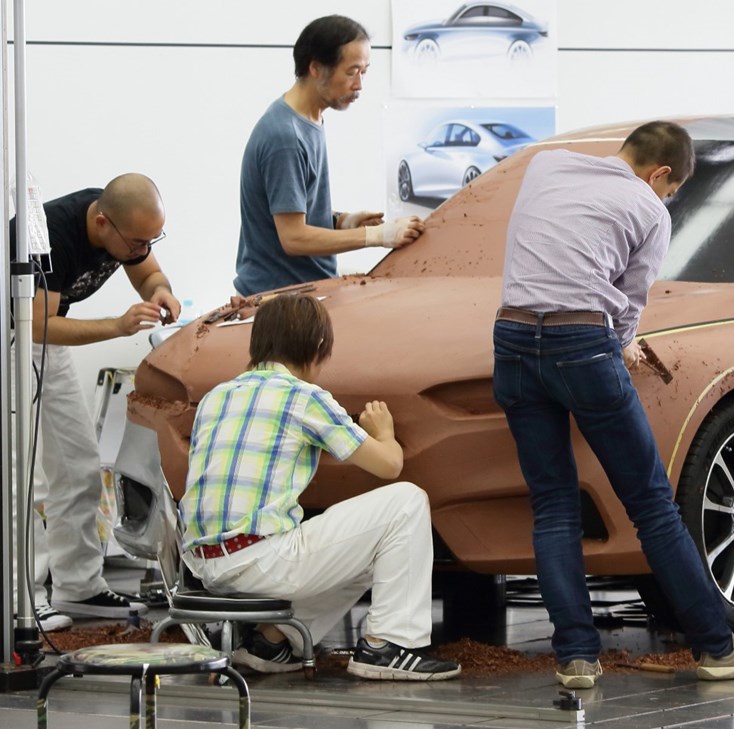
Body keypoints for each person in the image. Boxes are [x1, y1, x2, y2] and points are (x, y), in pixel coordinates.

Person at [493, 121, 734, 689]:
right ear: (660, 175)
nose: (667, 199)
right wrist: (624, 343)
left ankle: (576, 658)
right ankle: (717, 648)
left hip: (511, 340)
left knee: (553, 507)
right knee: (653, 506)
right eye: (671, 190)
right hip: (582, 346)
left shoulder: (545, 165)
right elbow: (629, 305)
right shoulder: (650, 210)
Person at [179, 294, 460, 680]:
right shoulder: (303, 397)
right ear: (319, 347)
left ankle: (270, 642)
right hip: (260, 562)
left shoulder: (216, 397)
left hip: (204, 566)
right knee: (406, 502)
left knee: (366, 548)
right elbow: (389, 465)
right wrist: (384, 433)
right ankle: (391, 646)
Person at [7, 174, 177, 630]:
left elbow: (149, 273)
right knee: (21, 477)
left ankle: (78, 586)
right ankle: (21, 599)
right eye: (137, 242)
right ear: (103, 224)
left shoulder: (124, 226)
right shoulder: (50, 235)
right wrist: (117, 326)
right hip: (16, 333)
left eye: (151, 240)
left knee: (78, 465)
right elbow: (35, 322)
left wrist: (160, 290)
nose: (143, 250)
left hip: (45, 338)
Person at [234, 14, 424, 297]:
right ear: (316, 68)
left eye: (364, 72)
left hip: (302, 293)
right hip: (281, 302)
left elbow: (291, 211)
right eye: (351, 72)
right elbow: (293, 238)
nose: (359, 85)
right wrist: (376, 236)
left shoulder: (309, 120)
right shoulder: (285, 136)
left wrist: (340, 221)